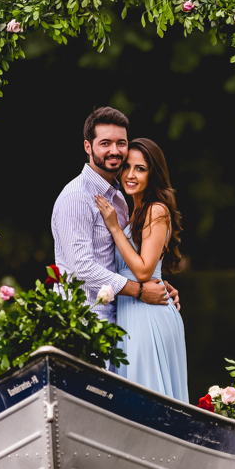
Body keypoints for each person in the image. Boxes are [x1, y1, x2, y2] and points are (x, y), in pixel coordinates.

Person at [51, 107, 180, 330]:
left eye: (121, 143)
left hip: (119, 316)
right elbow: (82, 268)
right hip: (84, 320)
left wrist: (156, 284)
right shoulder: (77, 197)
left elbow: (127, 258)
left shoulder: (119, 199)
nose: (115, 150)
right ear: (87, 147)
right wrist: (140, 291)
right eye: (105, 143)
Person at [93, 138, 188, 403]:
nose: (130, 175)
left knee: (148, 396)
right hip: (132, 309)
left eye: (140, 169)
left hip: (148, 315)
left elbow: (145, 271)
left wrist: (113, 227)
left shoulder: (156, 210)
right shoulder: (133, 211)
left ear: (153, 173)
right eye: (127, 167)